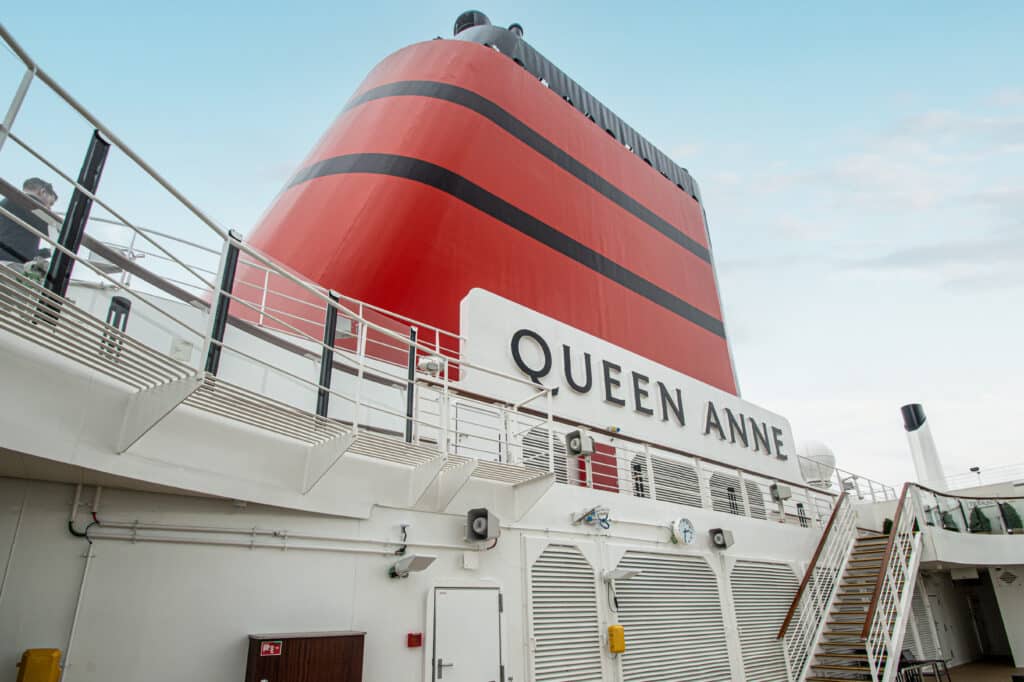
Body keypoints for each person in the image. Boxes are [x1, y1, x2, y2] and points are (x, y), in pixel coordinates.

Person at [0, 177, 58, 263]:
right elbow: (52, 227)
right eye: (50, 203)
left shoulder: (9, 203)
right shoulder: (29, 204)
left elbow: (17, 244)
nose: (49, 208)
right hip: (11, 262)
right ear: (43, 192)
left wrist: (48, 252)